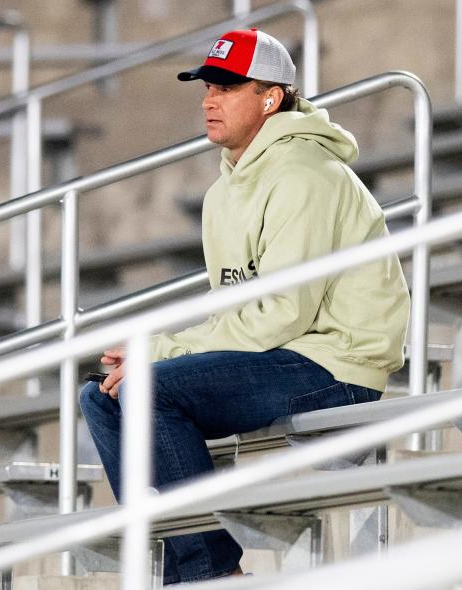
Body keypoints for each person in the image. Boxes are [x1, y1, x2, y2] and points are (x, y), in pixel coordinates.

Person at [79, 28, 410, 584]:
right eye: (207, 86)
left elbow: (284, 312)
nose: (210, 100)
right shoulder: (224, 191)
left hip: (336, 362)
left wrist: (159, 352)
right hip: (282, 353)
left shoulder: (306, 175)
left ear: (270, 97)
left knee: (148, 387)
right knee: (101, 397)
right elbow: (235, 309)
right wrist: (157, 353)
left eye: (229, 88)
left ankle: (210, 573)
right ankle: (178, 566)